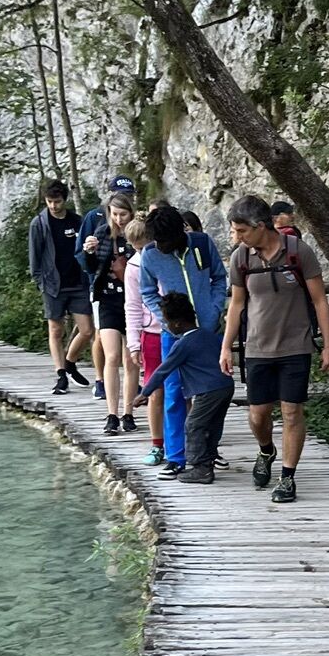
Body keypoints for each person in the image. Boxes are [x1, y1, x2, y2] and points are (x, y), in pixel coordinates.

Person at [219, 193, 329, 506]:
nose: (237, 237)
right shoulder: (241, 259)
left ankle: (287, 476)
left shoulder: (298, 252)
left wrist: (328, 345)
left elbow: (319, 300)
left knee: (292, 411)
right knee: (258, 415)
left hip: (295, 344)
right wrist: (226, 347)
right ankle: (266, 450)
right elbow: (237, 305)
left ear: (261, 226)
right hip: (257, 347)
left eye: (242, 231)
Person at [140, 203, 227, 478]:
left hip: (209, 332)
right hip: (174, 335)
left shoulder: (201, 243)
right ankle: (176, 456)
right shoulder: (150, 254)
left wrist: (214, 309)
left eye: (164, 240)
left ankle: (207, 454)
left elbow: (219, 278)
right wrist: (166, 319)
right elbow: (147, 291)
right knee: (174, 394)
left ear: (179, 233)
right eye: (156, 240)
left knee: (213, 391)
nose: (160, 245)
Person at [138, 292, 232, 483]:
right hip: (225, 386)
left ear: (177, 324)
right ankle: (209, 458)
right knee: (212, 425)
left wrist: (144, 393)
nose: (166, 326)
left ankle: (201, 468)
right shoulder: (210, 336)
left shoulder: (182, 344)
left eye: (167, 322)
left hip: (208, 391)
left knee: (193, 425)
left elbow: (163, 371)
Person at [27, 180, 93, 394]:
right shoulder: (39, 223)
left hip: (78, 283)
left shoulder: (77, 221)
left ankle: (69, 362)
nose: (53, 206)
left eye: (57, 201)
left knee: (87, 330)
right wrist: (41, 282)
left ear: (64, 200)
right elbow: (34, 258)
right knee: (56, 330)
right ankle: (61, 374)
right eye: (49, 202)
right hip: (53, 285)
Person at [88, 191, 141, 435]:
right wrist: (89, 252)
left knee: (130, 359)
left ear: (131, 213)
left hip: (132, 301)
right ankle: (111, 413)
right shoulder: (102, 233)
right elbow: (92, 269)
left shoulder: (137, 233)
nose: (119, 219)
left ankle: (128, 412)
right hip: (108, 298)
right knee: (111, 356)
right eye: (115, 214)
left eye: (123, 214)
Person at [124, 214, 166, 465]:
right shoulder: (134, 266)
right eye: (136, 248)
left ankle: (188, 441)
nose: (141, 253)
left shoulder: (166, 258)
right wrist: (133, 343)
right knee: (154, 390)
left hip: (175, 329)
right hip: (151, 333)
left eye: (143, 247)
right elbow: (132, 305)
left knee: (183, 390)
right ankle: (157, 443)